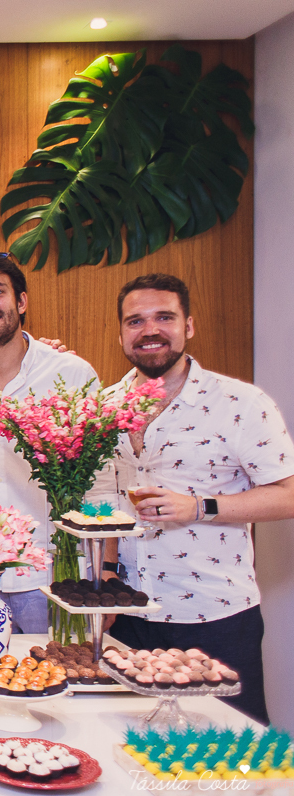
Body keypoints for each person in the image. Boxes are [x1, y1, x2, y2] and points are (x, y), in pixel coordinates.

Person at [101, 273, 294, 725]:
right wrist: (106, 578)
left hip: (213, 615)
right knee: (135, 758)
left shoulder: (241, 403)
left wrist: (200, 506)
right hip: (129, 616)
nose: (149, 330)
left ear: (189, 326)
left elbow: (287, 495)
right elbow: (106, 504)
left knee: (230, 770)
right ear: (123, 333)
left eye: (164, 317)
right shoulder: (107, 406)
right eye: (135, 321)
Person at [0, 252, 98, 633]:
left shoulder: (70, 374)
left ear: (21, 301)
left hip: (52, 575)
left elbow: (102, 481)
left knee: (61, 683)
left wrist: (103, 573)